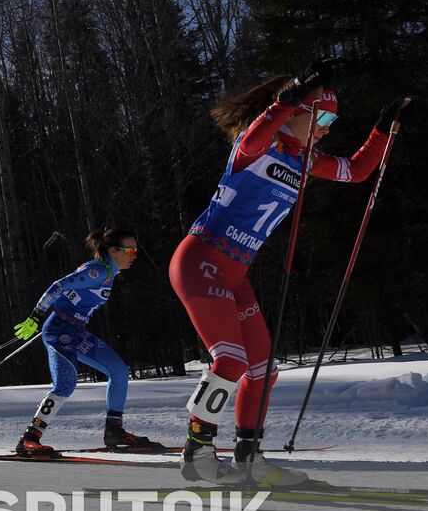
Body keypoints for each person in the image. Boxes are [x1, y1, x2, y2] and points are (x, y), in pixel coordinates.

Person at [174, 59, 408, 486]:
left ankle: (248, 458)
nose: (327, 126)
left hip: (236, 274)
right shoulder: (255, 147)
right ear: (297, 111)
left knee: (264, 368)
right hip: (201, 260)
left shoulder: (306, 160)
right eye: (320, 116)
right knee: (230, 359)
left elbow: (356, 172)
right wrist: (288, 99)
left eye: (333, 118)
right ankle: (197, 452)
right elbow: (263, 129)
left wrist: (381, 128)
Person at [11, 229, 161, 457]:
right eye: (129, 250)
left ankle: (114, 431)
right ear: (113, 251)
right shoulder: (97, 272)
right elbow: (58, 285)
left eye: (136, 250)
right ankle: (30, 438)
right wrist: (35, 316)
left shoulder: (108, 271)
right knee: (65, 385)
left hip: (74, 331)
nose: (134, 255)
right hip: (59, 330)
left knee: (119, 371)